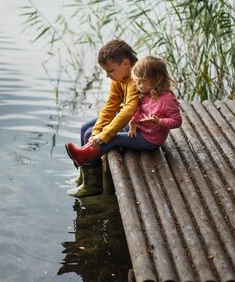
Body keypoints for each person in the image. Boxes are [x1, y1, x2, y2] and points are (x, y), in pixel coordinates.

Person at [66, 56, 182, 194]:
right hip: (138, 129)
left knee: (114, 138)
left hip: (150, 139)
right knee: (90, 129)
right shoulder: (147, 93)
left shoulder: (167, 100)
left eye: (140, 82)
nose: (137, 86)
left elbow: (177, 121)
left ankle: (86, 156)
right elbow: (138, 109)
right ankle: (85, 155)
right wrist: (133, 121)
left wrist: (159, 122)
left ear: (155, 79)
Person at [65, 39, 140, 197]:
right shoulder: (119, 78)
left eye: (110, 71)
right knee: (86, 129)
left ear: (126, 63)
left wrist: (103, 135)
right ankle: (84, 175)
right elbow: (110, 106)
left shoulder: (135, 80)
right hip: (124, 116)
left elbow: (128, 111)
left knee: (90, 135)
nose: (107, 76)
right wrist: (97, 131)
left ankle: (93, 184)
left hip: (137, 122)